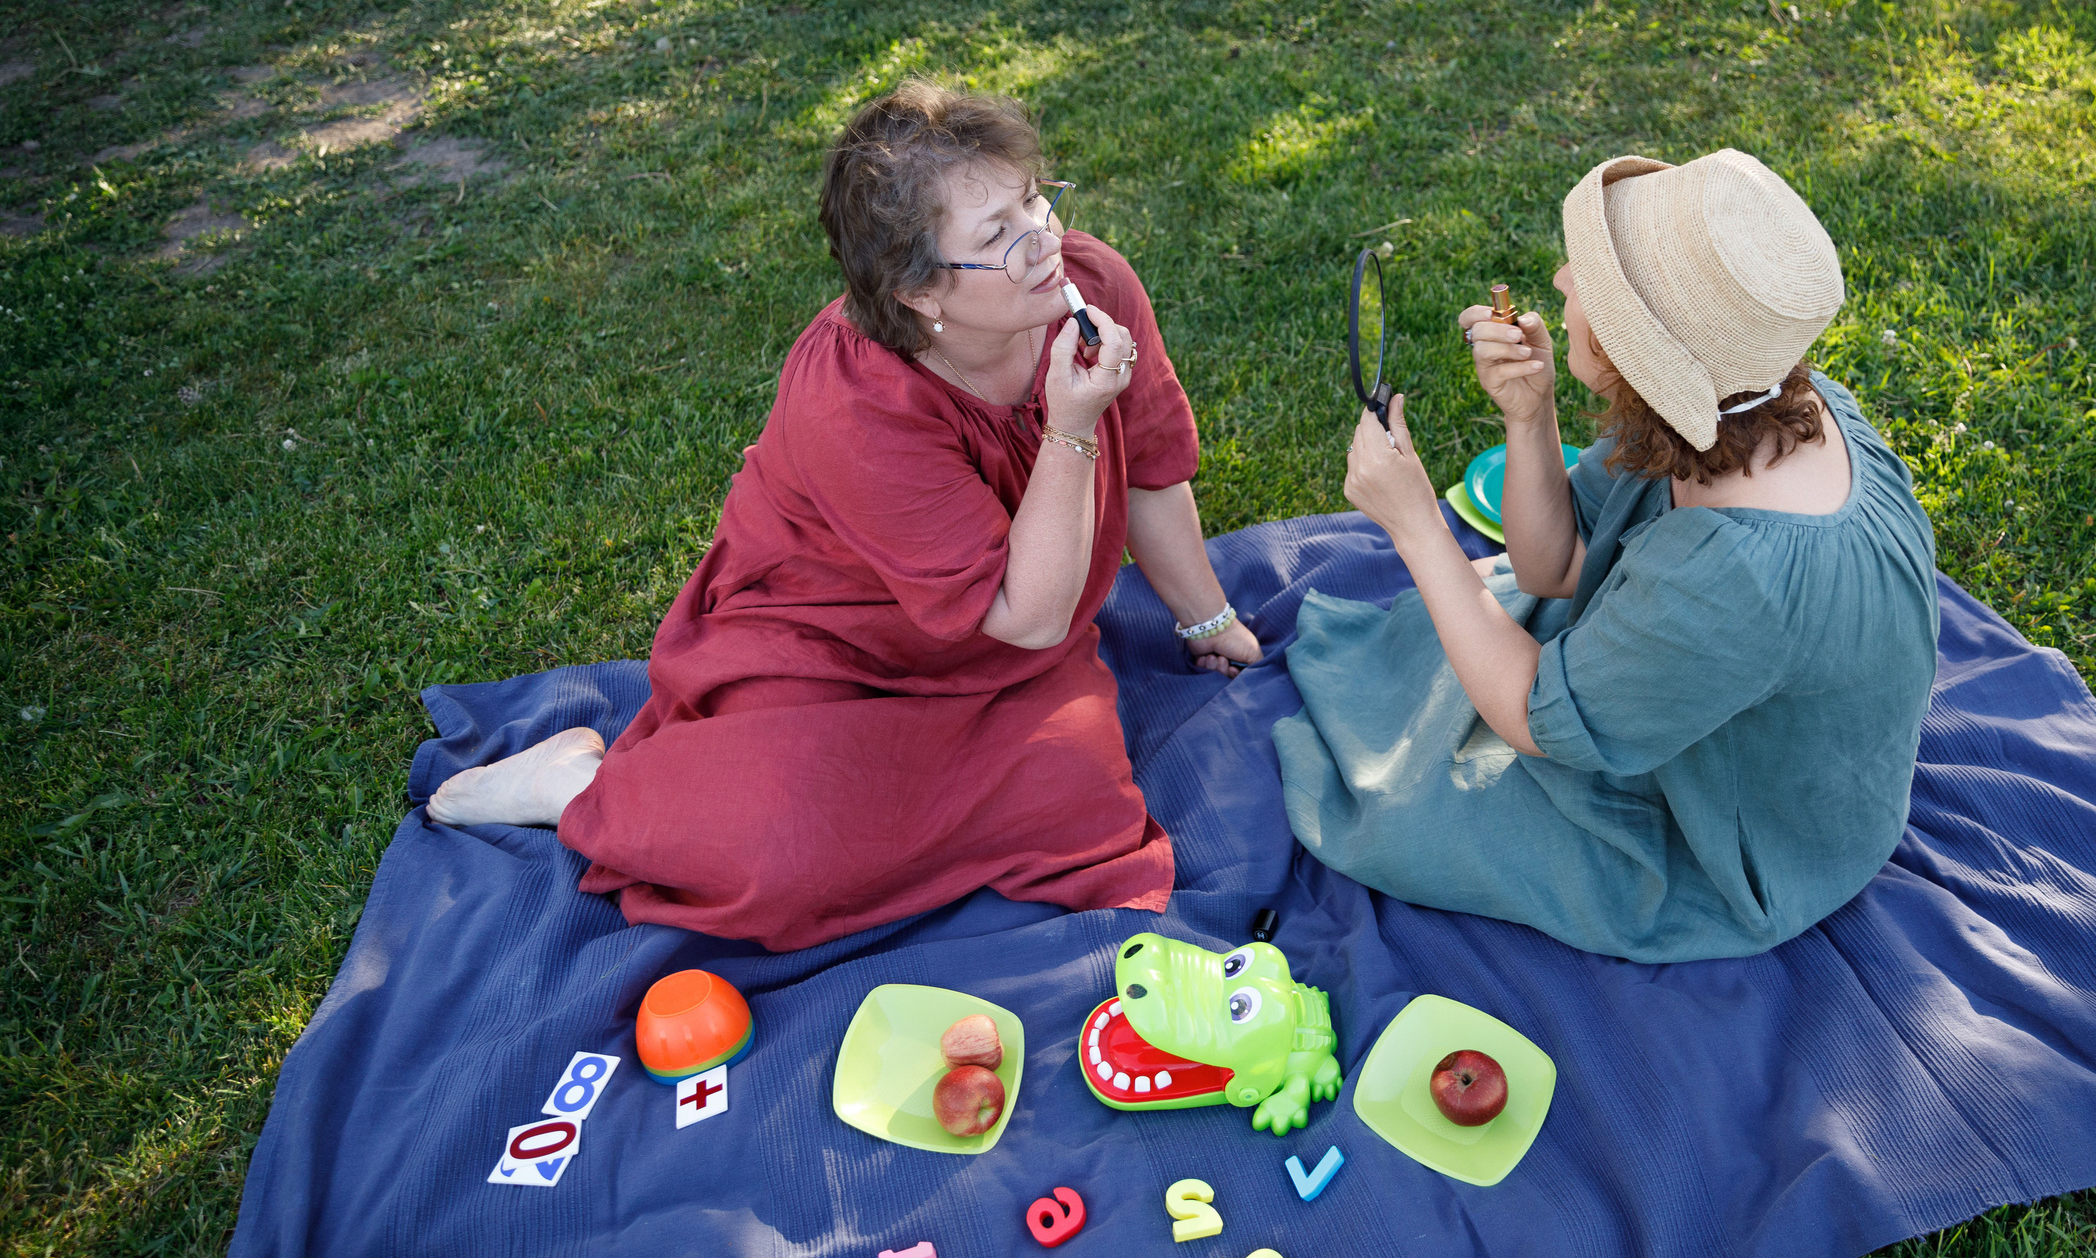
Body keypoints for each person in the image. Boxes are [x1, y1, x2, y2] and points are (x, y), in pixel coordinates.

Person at [426, 82, 1260, 951]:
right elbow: (1034, 610)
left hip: (1011, 660)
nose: (1043, 243)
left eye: (1034, 202)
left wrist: (1210, 620)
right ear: (919, 292)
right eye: (998, 236)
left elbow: (1156, 464)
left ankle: (923, 798)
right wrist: (1073, 428)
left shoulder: (1090, 283)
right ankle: (580, 787)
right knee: (777, 858)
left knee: (1081, 805)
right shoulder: (855, 400)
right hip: (835, 648)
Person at [1276, 149, 1938, 963]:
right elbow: (1557, 567)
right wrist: (1531, 413)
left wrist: (1416, 528)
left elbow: (1529, 718)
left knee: (1407, 800)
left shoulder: (1733, 577)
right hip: (1707, 697)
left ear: (1641, 351)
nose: (1559, 279)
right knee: (1447, 642)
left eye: (1588, 278)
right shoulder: (1752, 403)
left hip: (1742, 844)